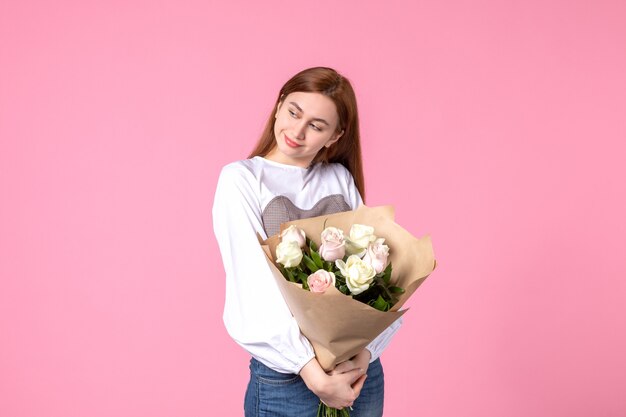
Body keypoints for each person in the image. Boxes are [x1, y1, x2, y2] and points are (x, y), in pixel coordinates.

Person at [212, 67, 402, 417]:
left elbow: (379, 275)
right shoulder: (242, 180)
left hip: (359, 373)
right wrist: (312, 372)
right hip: (288, 379)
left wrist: (365, 353)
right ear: (280, 103)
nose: (297, 132)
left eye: (316, 125)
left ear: (335, 136)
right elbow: (253, 287)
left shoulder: (338, 178)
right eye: (293, 112)